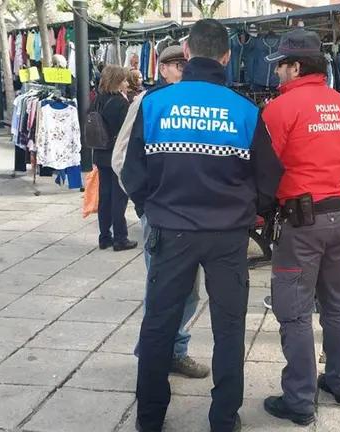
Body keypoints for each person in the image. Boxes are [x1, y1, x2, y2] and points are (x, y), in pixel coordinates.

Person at [120, 19, 283, 432]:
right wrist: (247, 213)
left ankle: (150, 418)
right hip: (227, 236)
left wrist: (151, 207)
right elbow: (268, 179)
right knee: (229, 329)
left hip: (170, 231)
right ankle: (223, 420)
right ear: (227, 57)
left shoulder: (155, 104)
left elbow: (131, 171)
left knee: (159, 325)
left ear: (187, 53)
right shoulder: (246, 111)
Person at [260, 29, 340, 426]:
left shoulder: (280, 109)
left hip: (300, 223)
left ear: (296, 66)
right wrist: (334, 182)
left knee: (294, 313)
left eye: (280, 67)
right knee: (338, 306)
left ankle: (300, 401)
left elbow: (264, 167)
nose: (276, 76)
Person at [119, 44, 210, 379]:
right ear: (163, 68)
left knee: (189, 291)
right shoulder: (149, 102)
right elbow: (123, 157)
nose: (185, 72)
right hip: (161, 215)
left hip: (192, 218)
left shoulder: (202, 102)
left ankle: (170, 350)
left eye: (188, 66)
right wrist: (144, 206)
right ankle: (160, 352)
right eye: (179, 66)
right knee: (164, 290)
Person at [92, 65, 138, 252]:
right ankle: (120, 237)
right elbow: (127, 131)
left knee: (105, 196)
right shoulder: (121, 103)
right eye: (125, 80)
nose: (127, 83)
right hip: (116, 155)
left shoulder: (97, 100)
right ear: (118, 82)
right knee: (119, 197)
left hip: (100, 153)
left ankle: (104, 236)